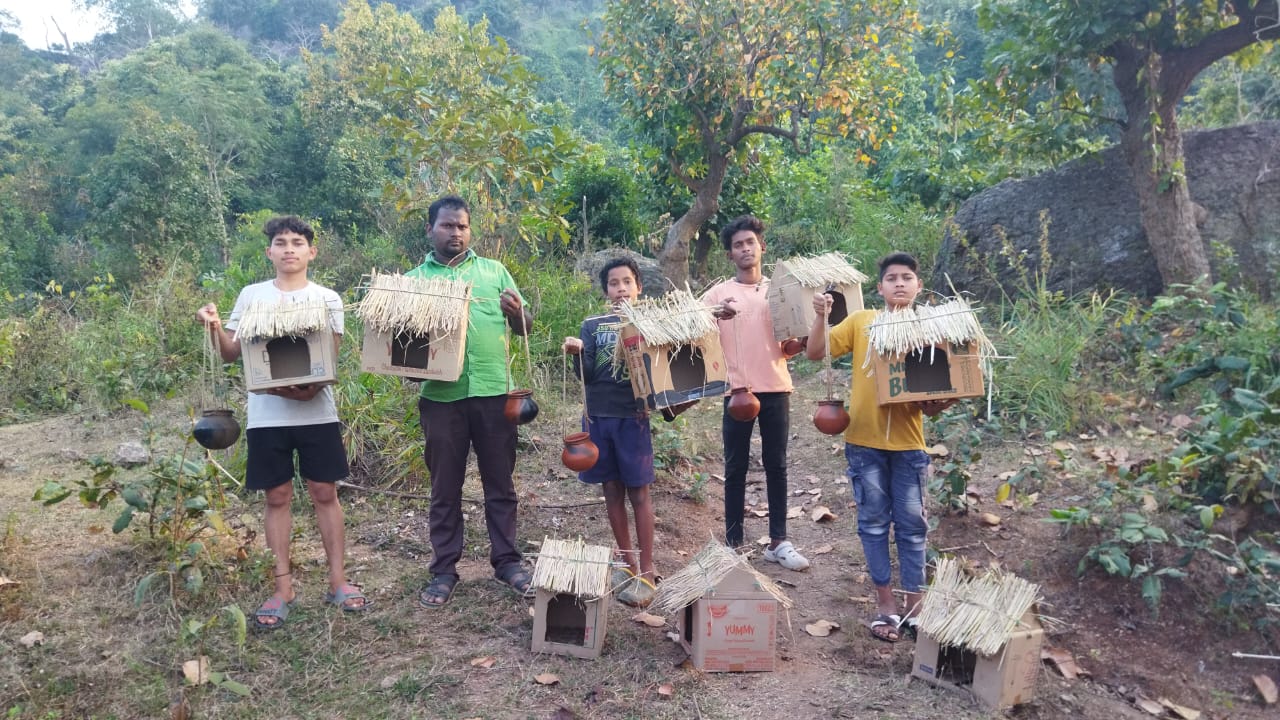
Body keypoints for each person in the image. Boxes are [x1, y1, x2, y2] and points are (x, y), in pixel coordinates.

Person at [195, 215, 368, 630]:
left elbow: (328, 357)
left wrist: (308, 390)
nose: (289, 249)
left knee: (325, 492)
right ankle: (282, 587)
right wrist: (214, 326)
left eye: (297, 242)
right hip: (266, 417)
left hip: (317, 413)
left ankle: (338, 581)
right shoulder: (252, 296)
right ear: (269, 251)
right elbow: (231, 354)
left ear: (312, 251)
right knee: (277, 496)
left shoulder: (327, 298)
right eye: (280, 242)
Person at [805, 252, 956, 642]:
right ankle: (885, 605)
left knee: (913, 525)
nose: (900, 283)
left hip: (909, 444)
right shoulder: (862, 322)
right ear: (880, 287)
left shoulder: (930, 329)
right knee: (873, 523)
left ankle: (915, 608)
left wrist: (942, 402)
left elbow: (939, 393)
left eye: (907, 277)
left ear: (919, 286)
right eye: (892, 278)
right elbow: (815, 352)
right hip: (863, 443)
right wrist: (821, 316)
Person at [411, 195, 535, 609]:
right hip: (440, 399)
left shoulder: (494, 272)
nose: (456, 233)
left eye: (462, 226)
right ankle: (444, 570)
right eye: (447, 225)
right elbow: (401, 347)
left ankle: (507, 562)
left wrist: (516, 313)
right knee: (444, 487)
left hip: (494, 394)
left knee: (500, 483)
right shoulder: (413, 282)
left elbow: (525, 327)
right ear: (430, 229)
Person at [703, 215, 810, 571]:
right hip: (736, 393)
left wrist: (804, 338)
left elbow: (788, 347)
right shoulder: (717, 295)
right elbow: (695, 332)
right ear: (730, 255)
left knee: (776, 464)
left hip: (775, 388)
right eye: (738, 245)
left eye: (750, 242)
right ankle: (733, 544)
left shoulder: (780, 291)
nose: (745, 249)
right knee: (735, 467)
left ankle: (779, 541)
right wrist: (715, 315)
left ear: (762, 247)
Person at [562, 257, 657, 607]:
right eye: (614, 283)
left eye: (627, 282)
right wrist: (577, 353)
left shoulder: (651, 323)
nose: (621, 289)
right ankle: (628, 563)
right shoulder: (592, 325)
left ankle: (648, 570)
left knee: (639, 492)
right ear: (605, 290)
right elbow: (585, 374)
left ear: (638, 287)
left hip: (633, 418)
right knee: (611, 489)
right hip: (598, 419)